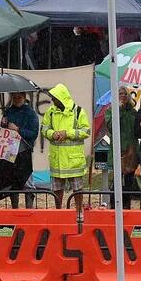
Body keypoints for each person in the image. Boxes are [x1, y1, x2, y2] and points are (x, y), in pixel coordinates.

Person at [42, 83, 90, 212]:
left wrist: (67, 133)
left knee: (77, 190)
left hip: (73, 160)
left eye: (54, 98)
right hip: (57, 160)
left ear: (61, 98)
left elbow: (86, 131)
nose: (52, 100)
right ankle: (59, 213)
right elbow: (44, 129)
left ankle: (79, 213)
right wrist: (53, 134)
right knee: (57, 189)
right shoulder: (50, 112)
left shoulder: (78, 111)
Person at [102, 87, 140, 208]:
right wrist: (117, 110)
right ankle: (114, 206)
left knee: (129, 180)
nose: (122, 95)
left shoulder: (133, 111)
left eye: (124, 93)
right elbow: (111, 127)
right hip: (118, 150)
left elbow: (137, 131)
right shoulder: (110, 110)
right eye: (120, 93)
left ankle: (127, 207)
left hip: (131, 150)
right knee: (116, 180)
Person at [2, 92, 40, 209]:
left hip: (25, 151)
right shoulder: (8, 112)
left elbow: (33, 134)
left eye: (19, 97)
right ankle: (15, 209)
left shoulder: (31, 114)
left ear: (24, 98)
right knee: (13, 180)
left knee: (27, 178)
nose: (17, 99)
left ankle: (29, 209)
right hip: (10, 150)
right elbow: (3, 132)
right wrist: (3, 124)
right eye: (14, 97)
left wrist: (18, 129)